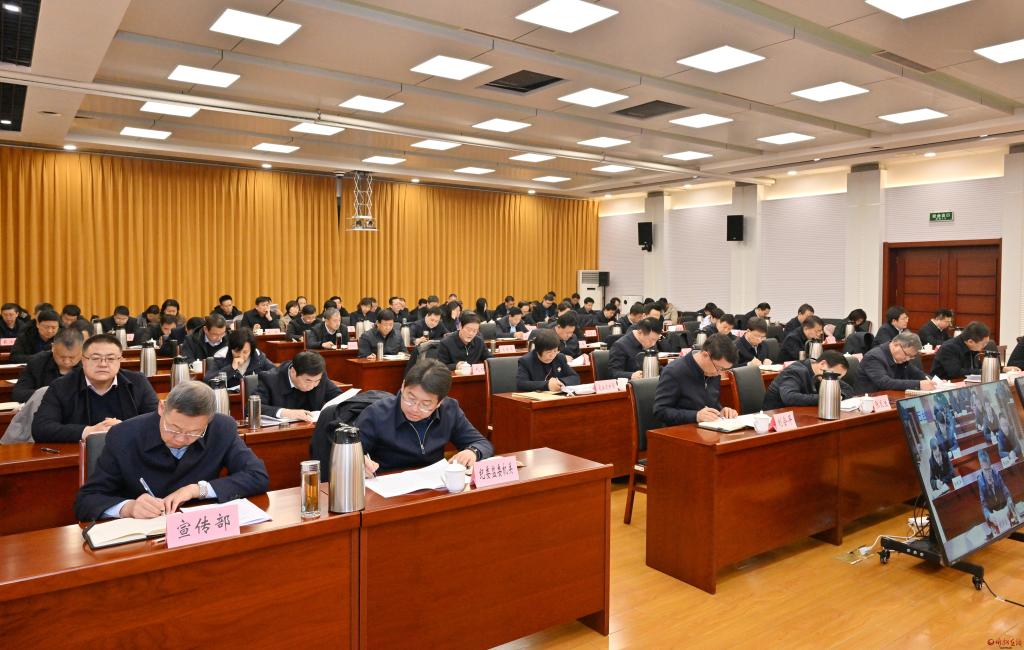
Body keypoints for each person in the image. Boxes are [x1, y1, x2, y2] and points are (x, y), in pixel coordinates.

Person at [73, 381, 269, 521]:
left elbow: (256, 476)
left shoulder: (221, 428)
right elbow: (87, 500)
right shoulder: (123, 435)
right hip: (143, 534)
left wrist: (196, 490)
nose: (181, 439)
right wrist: (128, 508)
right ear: (162, 408)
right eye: (173, 429)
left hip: (197, 529)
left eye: (194, 433)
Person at [355, 359, 494, 474]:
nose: (414, 409)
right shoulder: (376, 413)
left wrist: (472, 452)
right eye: (410, 398)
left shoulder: (449, 410)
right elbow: (351, 453)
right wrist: (359, 461)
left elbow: (482, 443)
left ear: (440, 402)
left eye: (425, 404)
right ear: (403, 386)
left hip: (434, 486)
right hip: (387, 486)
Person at [32, 333, 159, 442]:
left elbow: (158, 421)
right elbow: (41, 428)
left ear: (120, 360)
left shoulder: (138, 382)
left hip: (128, 451)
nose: (103, 364)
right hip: (79, 455)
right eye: (95, 358)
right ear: (83, 360)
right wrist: (89, 431)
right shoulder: (61, 386)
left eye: (110, 358)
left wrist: (125, 428)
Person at [653, 334, 738, 425]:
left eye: (724, 369)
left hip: (708, 428)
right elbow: (660, 411)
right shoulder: (674, 372)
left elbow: (711, 403)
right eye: (719, 368)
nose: (719, 373)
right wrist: (695, 416)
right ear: (705, 355)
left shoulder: (712, 371)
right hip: (680, 429)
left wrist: (721, 411)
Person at [254, 351, 341, 423]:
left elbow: (339, 397)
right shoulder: (270, 379)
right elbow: (253, 408)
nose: (312, 386)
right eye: (308, 381)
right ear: (293, 372)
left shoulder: (319, 375)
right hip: (281, 432)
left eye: (317, 381)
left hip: (311, 429)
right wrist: (287, 413)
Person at [762, 351, 855, 410]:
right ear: (822, 364)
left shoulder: (824, 374)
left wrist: (840, 396)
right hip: (778, 416)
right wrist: (827, 397)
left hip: (801, 413)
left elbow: (848, 389)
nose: (836, 380)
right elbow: (789, 397)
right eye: (835, 376)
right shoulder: (795, 370)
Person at [13, 327, 83, 402]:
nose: (66, 362)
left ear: (82, 351)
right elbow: (18, 393)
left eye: (72, 357)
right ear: (53, 347)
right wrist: (51, 393)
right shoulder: (37, 362)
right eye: (62, 357)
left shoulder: (88, 364)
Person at [932, 321, 1016, 379]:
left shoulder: (972, 346)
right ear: (970, 341)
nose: (985, 346)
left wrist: (1002, 369)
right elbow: (956, 373)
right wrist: (983, 371)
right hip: (945, 385)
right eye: (983, 344)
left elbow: (978, 368)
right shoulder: (949, 348)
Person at [859, 332, 935, 393]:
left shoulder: (901, 358)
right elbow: (885, 382)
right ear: (896, 345)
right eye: (907, 354)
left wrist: (934, 381)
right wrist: (919, 384)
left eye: (911, 356)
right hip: (870, 399)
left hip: (891, 396)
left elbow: (916, 373)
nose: (908, 359)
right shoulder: (873, 357)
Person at [204, 327, 274, 388]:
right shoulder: (221, 357)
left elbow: (275, 373)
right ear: (231, 348)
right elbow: (207, 381)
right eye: (237, 351)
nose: (240, 355)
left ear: (251, 350)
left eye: (245, 352)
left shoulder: (258, 357)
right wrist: (231, 368)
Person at [976, 450, 1021, 536]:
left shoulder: (996, 473)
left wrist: (1008, 506)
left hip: (1005, 510)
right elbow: (984, 505)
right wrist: (989, 516)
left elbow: (1007, 493)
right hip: (995, 517)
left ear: (991, 465)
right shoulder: (980, 480)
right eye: (985, 470)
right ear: (981, 467)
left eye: (989, 469)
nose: (989, 474)